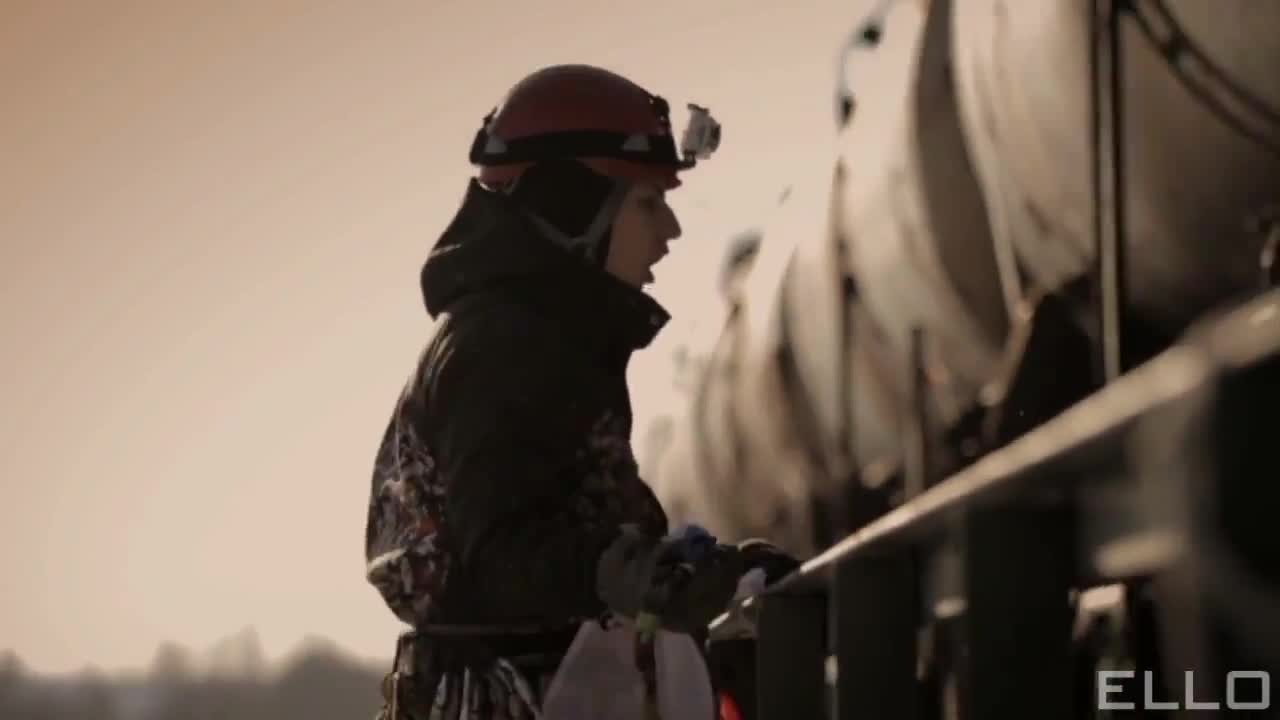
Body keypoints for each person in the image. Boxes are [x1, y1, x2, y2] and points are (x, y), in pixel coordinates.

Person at [364, 64, 794, 720]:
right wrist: (629, 575)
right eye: (648, 203)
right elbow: (498, 556)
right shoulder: (501, 347)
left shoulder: (551, 341)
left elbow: (573, 531)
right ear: (573, 208)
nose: (671, 230)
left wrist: (715, 573)